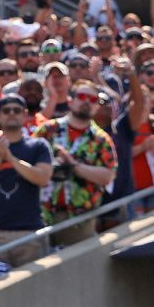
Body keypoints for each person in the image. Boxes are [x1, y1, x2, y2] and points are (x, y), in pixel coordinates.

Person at [0, 94, 55, 267]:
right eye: (6, 110)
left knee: (32, 290)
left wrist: (9, 157)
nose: (11, 114)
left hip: (29, 231)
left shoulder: (38, 146)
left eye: (16, 110)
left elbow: (43, 178)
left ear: (25, 115)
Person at [35, 84, 119, 246]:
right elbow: (29, 163)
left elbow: (108, 176)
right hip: (41, 212)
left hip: (79, 218)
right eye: (81, 97)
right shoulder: (48, 129)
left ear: (96, 107)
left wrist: (73, 165)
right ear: (70, 101)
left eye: (93, 99)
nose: (87, 101)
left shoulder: (101, 139)